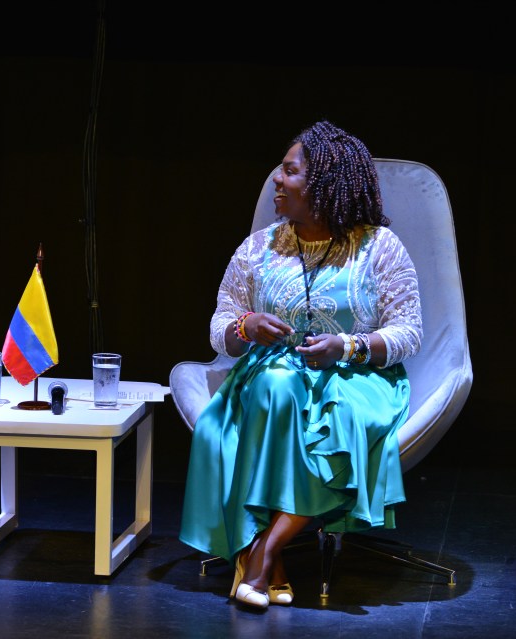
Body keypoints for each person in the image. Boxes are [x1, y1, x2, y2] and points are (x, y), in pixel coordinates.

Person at [179, 120, 422, 609]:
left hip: (354, 379)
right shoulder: (261, 246)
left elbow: (408, 332)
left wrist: (347, 346)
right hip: (270, 374)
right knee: (276, 387)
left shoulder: (379, 247)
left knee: (312, 413)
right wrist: (246, 327)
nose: (276, 180)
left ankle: (262, 555)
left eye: (289, 172)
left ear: (324, 184)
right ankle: (272, 561)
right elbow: (221, 322)